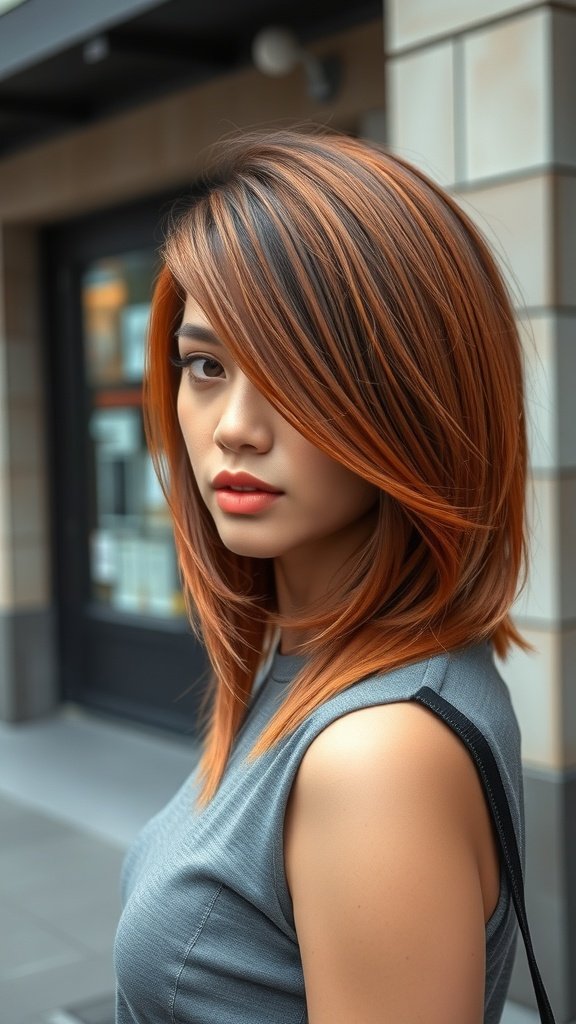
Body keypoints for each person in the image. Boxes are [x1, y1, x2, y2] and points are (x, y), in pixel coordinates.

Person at [114, 128, 529, 1024]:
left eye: (293, 373)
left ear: (416, 393)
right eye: (206, 366)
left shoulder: (375, 756)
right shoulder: (311, 657)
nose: (234, 427)